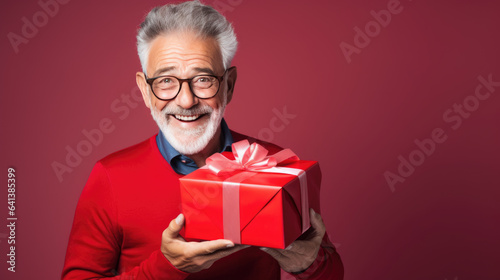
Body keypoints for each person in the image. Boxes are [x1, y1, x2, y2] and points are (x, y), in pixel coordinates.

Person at [61, 1, 343, 279]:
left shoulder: (275, 166)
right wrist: (169, 267)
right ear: (145, 91)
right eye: (166, 81)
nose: (186, 101)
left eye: (203, 79)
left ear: (228, 86)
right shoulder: (110, 178)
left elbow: (331, 271)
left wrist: (308, 263)